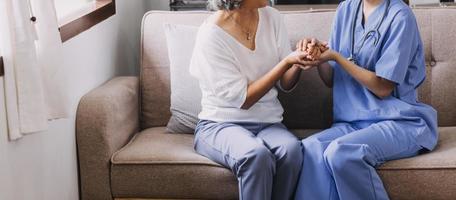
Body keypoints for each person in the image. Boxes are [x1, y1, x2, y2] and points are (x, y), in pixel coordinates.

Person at [294, 0, 438, 199]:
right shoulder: (346, 9)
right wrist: (318, 56)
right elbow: (330, 79)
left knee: (342, 152)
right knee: (311, 148)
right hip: (353, 122)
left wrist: (337, 57)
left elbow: (383, 87)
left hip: (401, 122)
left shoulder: (401, 16)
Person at [189, 0, 317, 199]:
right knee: (255, 155)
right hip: (219, 124)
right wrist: (286, 62)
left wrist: (300, 60)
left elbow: (285, 83)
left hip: (268, 123)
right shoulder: (211, 35)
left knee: (291, 151)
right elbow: (244, 99)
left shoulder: (272, 17)